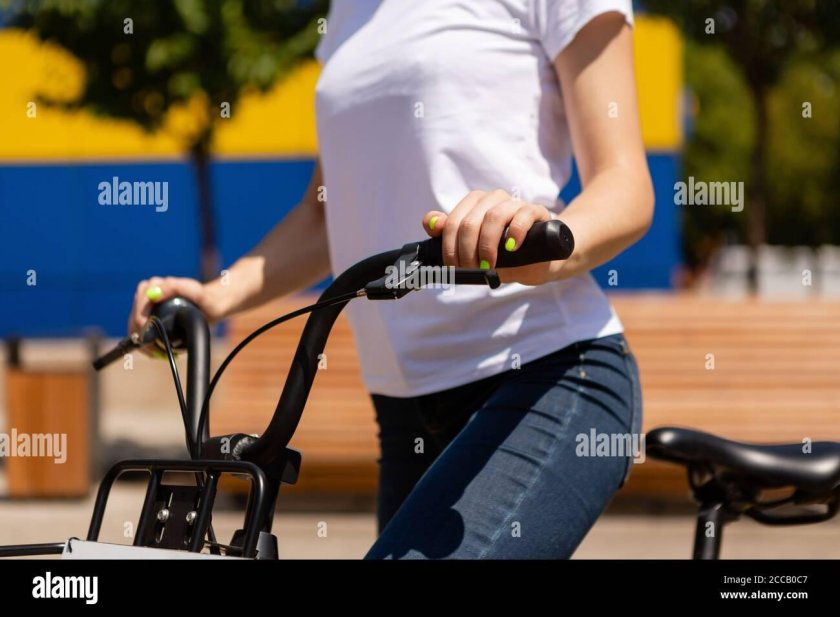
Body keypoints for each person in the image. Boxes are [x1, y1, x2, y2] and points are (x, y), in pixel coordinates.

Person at [128, 0, 653, 559]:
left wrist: (546, 243)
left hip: (547, 371)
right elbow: (323, 216)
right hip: (403, 412)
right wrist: (213, 298)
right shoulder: (349, 12)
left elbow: (626, 185)